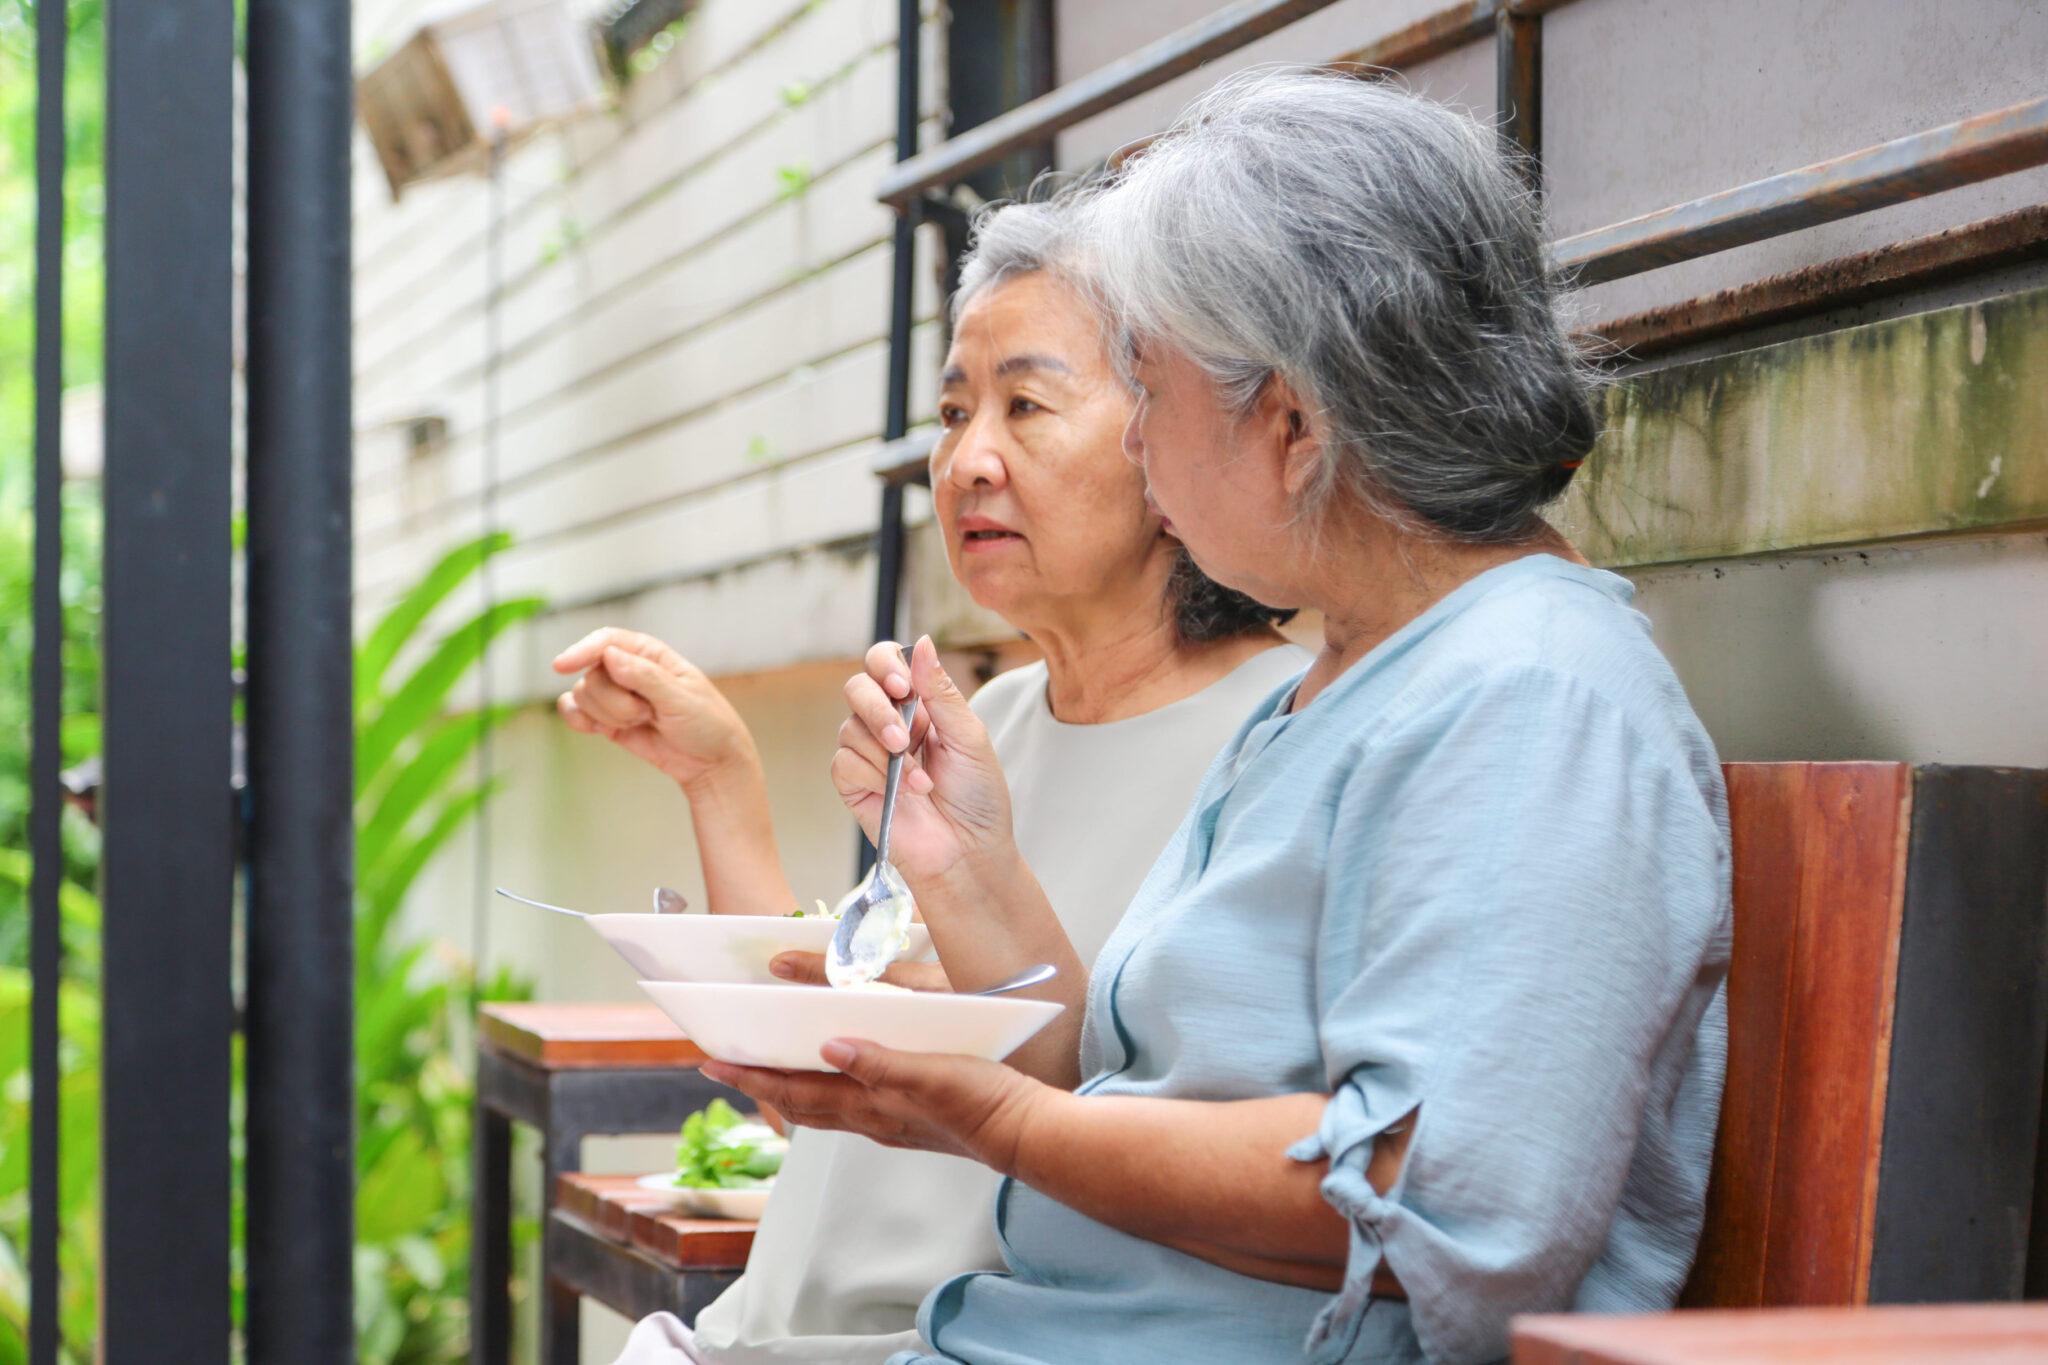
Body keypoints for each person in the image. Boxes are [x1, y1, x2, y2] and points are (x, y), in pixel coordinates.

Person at [701, 69, 1734, 1365]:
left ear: (1293, 423)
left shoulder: (1535, 698)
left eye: (1153, 382)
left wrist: (989, 1119)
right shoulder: (1354, 677)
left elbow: (1430, 1192)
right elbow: (1130, 1086)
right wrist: (970, 873)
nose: (1136, 446)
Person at [551, 195, 1310, 1365]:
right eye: (953, 411)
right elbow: (828, 1088)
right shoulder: (985, 718)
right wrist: (719, 781)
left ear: (1168, 430)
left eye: (1026, 403)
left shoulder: (1279, 734)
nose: (966, 460)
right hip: (749, 1334)